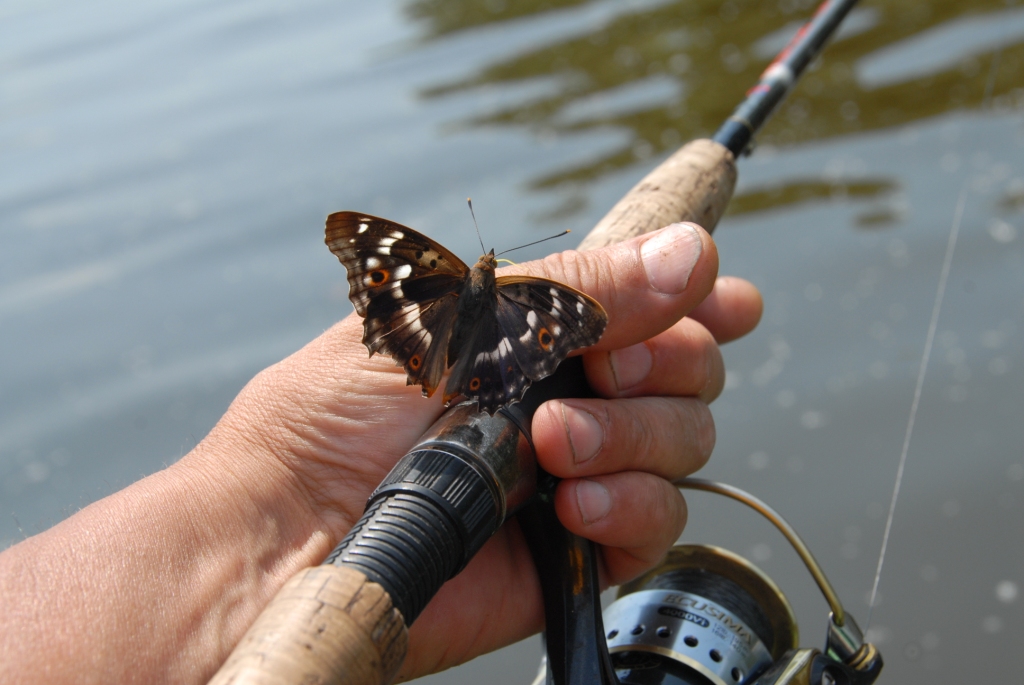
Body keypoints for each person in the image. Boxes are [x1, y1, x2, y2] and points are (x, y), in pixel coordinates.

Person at [0, 222, 762, 684]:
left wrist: (276, 502)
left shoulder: (459, 278)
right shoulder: (533, 299)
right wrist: (282, 488)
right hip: (476, 370)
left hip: (431, 346)